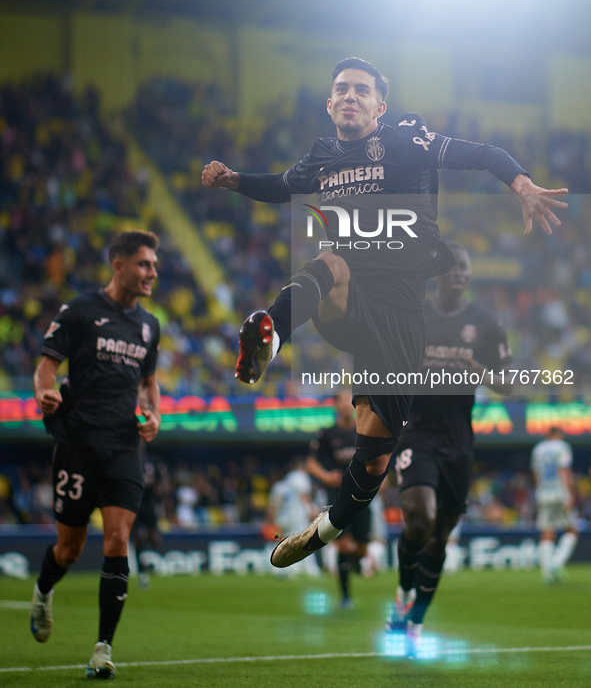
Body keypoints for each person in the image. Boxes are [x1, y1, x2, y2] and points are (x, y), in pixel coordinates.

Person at [201, 57, 567, 571]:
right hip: (348, 297)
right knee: (330, 260)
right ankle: (272, 336)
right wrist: (234, 180)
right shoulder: (322, 155)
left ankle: (322, 530)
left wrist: (522, 184)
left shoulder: (404, 139)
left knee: (374, 457)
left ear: (380, 105)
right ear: (329, 105)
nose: (350, 96)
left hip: (400, 316)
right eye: (341, 90)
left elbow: (481, 153)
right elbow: (283, 185)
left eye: (361, 91)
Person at [30, 230, 161, 679]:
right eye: (144, 264)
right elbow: (47, 365)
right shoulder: (80, 311)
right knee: (69, 549)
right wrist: (44, 392)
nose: (152, 273)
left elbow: (149, 382)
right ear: (119, 265)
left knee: (118, 539)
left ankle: (102, 649)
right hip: (79, 444)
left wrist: (154, 415)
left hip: (124, 445)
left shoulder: (149, 325)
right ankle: (44, 590)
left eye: (154, 265)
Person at [388, 242, 513, 655]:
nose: (459, 273)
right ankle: (404, 590)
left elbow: (509, 382)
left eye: (465, 268)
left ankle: (416, 618)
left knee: (439, 539)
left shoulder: (486, 324)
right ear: (438, 270)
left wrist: (481, 371)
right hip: (416, 433)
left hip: (459, 443)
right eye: (453, 266)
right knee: (419, 520)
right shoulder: (413, 315)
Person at [306, 392, 373, 608]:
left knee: (362, 548)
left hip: (362, 494)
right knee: (343, 545)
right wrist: (326, 477)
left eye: (349, 400)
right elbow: (311, 463)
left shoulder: (364, 430)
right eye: (342, 400)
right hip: (337, 495)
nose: (346, 404)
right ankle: (345, 596)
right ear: (336, 405)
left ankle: (353, 563)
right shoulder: (326, 434)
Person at [530, 427, 578, 584]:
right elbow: (564, 470)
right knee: (572, 529)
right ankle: (556, 563)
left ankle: (547, 573)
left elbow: (536, 473)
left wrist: (538, 492)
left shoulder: (538, 449)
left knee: (547, 530)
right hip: (560, 493)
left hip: (544, 493)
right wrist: (569, 493)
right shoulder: (562, 446)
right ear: (558, 435)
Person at [266, 456, 320, 578]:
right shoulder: (300, 477)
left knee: (281, 543)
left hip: (282, 518)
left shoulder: (280, 485)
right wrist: (312, 510)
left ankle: (278, 569)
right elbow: (304, 496)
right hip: (296, 517)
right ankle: (311, 569)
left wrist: (271, 521)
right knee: (305, 541)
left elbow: (273, 505)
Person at [132, 447, 168, 589]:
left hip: (149, 503)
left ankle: (145, 538)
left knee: (155, 540)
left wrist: (160, 499)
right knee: (137, 539)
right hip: (135, 503)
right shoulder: (130, 458)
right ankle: (142, 574)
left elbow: (160, 483)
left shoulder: (153, 459)